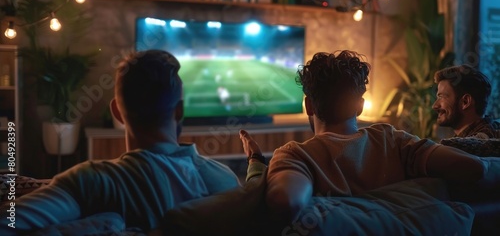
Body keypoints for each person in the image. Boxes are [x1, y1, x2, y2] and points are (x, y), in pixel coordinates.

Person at [239, 50, 499, 225]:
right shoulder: (391, 138)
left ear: (309, 106)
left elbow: (285, 202)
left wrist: (256, 163)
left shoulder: (295, 154)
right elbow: (474, 167)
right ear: (360, 107)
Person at [0, 50, 240, 234]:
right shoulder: (225, 179)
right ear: (178, 111)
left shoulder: (91, 180)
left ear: (116, 111)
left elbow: (9, 223)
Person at [433, 64, 500, 138]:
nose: (434, 106)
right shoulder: (491, 133)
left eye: (442, 97)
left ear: (465, 102)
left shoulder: (477, 145)